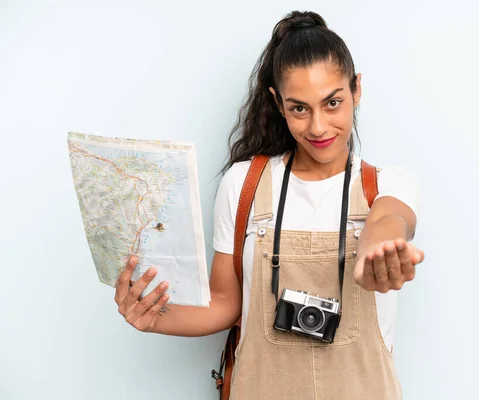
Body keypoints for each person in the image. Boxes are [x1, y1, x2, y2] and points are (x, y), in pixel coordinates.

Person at [113, 10, 425, 399]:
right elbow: (226, 303)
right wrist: (153, 317)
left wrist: (378, 250)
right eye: (299, 108)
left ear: (356, 89)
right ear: (278, 103)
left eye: (333, 103)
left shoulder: (385, 184)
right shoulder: (243, 184)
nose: (318, 126)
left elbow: (391, 218)